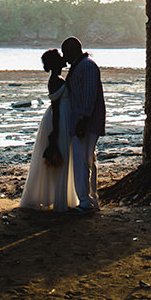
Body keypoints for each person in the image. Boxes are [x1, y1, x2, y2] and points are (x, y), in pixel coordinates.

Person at [19, 49, 78, 212]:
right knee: (62, 155)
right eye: (60, 58)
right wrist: (56, 131)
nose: (64, 60)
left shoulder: (57, 79)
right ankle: (60, 197)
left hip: (60, 118)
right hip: (58, 119)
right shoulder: (56, 80)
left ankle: (59, 196)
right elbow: (57, 108)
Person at [61, 36, 106, 214]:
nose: (65, 57)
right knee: (86, 160)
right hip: (84, 120)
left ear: (73, 50)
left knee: (82, 161)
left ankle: (86, 201)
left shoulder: (87, 66)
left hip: (86, 121)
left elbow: (88, 96)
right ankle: (89, 198)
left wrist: (82, 121)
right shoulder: (82, 65)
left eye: (66, 52)